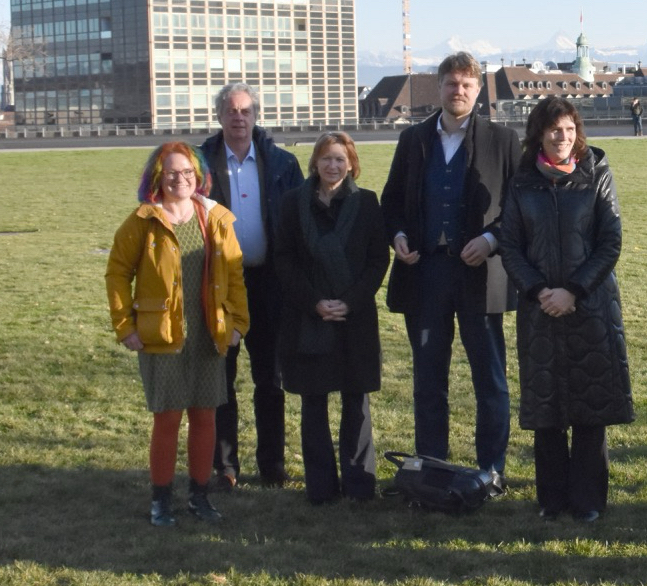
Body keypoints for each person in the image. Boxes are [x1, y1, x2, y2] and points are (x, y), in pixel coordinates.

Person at [380, 52, 520, 479]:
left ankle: (490, 472)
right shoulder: (413, 140)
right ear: (438, 88)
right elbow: (392, 204)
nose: (458, 90)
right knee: (428, 381)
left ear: (477, 92)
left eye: (466, 84)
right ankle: (433, 469)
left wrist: (491, 239)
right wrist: (399, 236)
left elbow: (517, 207)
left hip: (480, 275)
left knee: (490, 380)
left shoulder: (502, 140)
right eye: (450, 83)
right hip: (426, 273)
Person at [501, 97, 634, 523]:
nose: (563, 137)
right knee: (547, 406)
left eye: (570, 130)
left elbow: (610, 240)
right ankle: (551, 499)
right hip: (540, 310)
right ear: (539, 133)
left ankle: (590, 499)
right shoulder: (522, 182)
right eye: (556, 129)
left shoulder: (596, 174)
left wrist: (574, 290)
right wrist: (539, 290)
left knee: (590, 405)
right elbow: (510, 245)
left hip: (590, 305)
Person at [106, 142, 247, 525]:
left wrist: (237, 325)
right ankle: (161, 499)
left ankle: (199, 496)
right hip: (161, 336)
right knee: (167, 419)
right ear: (157, 176)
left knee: (205, 417)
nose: (180, 179)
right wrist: (125, 326)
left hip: (207, 333)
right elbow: (118, 272)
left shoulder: (215, 218)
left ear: (198, 175)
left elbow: (234, 275)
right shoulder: (142, 220)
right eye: (171, 172)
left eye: (187, 172)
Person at [273, 132, 389, 505]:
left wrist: (349, 303)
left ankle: (359, 485)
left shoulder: (368, 203)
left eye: (340, 159)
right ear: (314, 163)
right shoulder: (293, 204)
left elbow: (377, 261)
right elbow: (284, 260)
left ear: (351, 164)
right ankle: (320, 488)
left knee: (356, 402)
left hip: (354, 319)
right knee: (314, 402)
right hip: (309, 318)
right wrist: (315, 303)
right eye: (326, 159)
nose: (333, 166)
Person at [199, 82, 304, 491]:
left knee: (269, 378)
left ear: (255, 115)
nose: (238, 117)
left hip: (269, 283)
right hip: (219, 285)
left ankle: (272, 465)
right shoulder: (202, 162)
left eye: (245, 111)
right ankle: (224, 467)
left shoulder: (281, 163)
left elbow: (296, 222)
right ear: (220, 116)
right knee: (221, 378)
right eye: (230, 111)